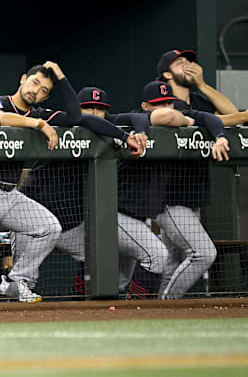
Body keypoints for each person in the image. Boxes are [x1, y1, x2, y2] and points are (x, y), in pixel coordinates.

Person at [0, 62, 87, 304]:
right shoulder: (0, 102)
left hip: (10, 194)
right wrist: (38, 124)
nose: (37, 91)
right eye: (35, 82)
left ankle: (16, 281)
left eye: (45, 90)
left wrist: (61, 76)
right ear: (23, 78)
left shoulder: (39, 113)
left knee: (49, 228)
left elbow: (76, 116)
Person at [19, 86, 163, 298]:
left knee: (101, 253)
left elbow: (137, 117)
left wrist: (141, 132)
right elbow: (28, 187)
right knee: (20, 281)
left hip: (72, 228)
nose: (94, 114)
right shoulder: (65, 124)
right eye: (88, 109)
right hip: (38, 221)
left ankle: (83, 304)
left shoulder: (107, 127)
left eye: (99, 109)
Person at [119, 81, 228, 299]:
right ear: (145, 106)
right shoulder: (136, 119)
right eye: (160, 103)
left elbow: (210, 118)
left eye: (170, 102)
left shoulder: (181, 113)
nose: (167, 107)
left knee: (171, 263)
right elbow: (163, 117)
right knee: (203, 253)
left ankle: (163, 310)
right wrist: (187, 120)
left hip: (165, 204)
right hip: (144, 205)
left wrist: (220, 136)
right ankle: (168, 302)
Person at [156, 49, 238, 115]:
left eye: (188, 62)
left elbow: (232, 113)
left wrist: (202, 85)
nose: (188, 65)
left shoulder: (196, 100)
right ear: (168, 74)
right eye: (180, 63)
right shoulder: (166, 102)